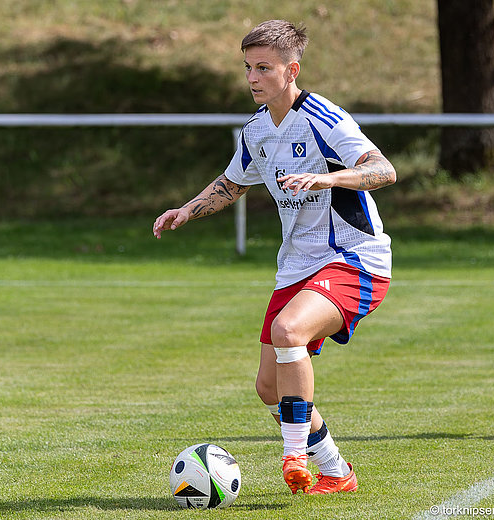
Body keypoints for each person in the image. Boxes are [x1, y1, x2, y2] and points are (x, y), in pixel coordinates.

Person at [152, 20, 395, 495]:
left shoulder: (327, 120)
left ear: (291, 70)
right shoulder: (257, 130)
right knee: (269, 386)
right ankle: (337, 471)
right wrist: (187, 210)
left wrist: (330, 179)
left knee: (289, 332)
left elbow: (383, 170)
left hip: (353, 258)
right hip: (297, 265)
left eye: (264, 67)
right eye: (248, 67)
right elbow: (232, 184)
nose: (252, 78)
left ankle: (294, 455)